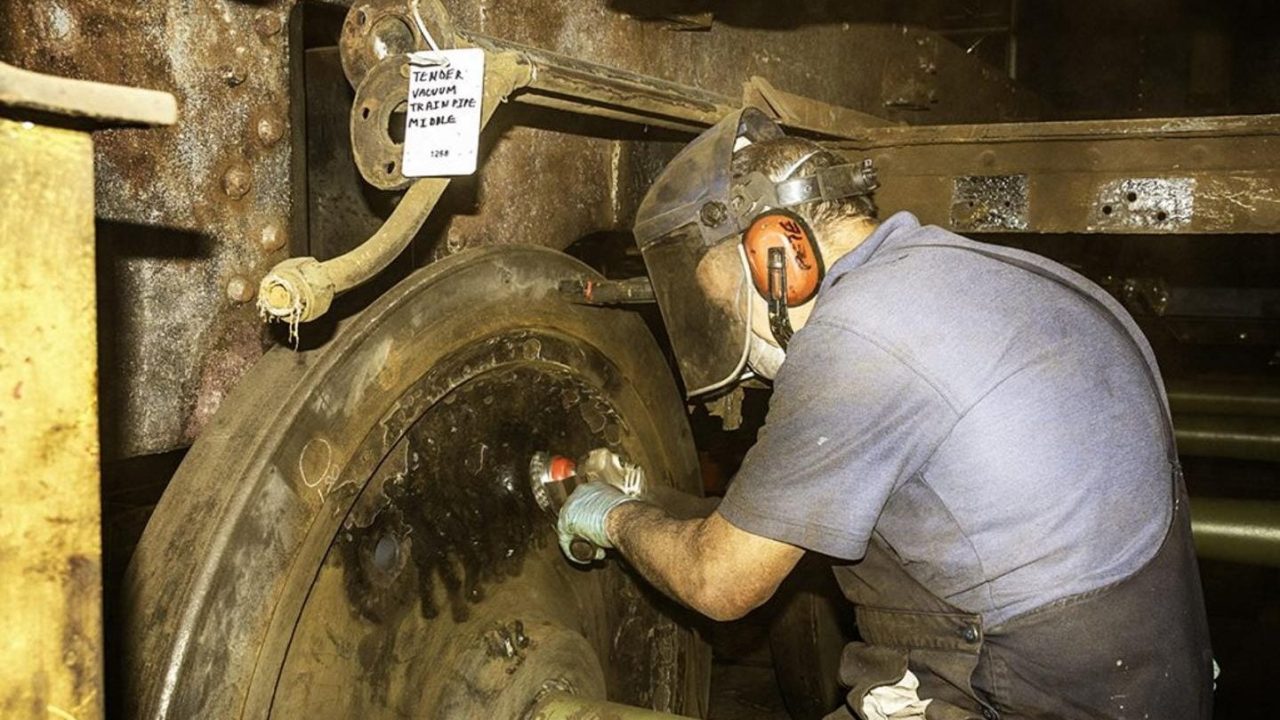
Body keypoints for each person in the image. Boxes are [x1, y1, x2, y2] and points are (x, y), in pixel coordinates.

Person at [556, 108, 1214, 720]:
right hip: (1151, 673)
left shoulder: (858, 335)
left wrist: (612, 516)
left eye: (729, 306)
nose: (735, 328)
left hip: (1028, 686)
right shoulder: (1001, 275)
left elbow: (720, 582)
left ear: (777, 256)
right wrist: (662, 499)